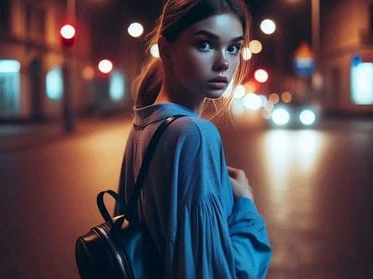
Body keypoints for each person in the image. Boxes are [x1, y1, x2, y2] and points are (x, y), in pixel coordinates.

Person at [116, 0, 272, 278]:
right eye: (205, 44)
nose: (224, 62)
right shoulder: (195, 133)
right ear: (166, 50)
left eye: (233, 47)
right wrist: (246, 205)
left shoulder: (144, 122)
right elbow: (220, 273)